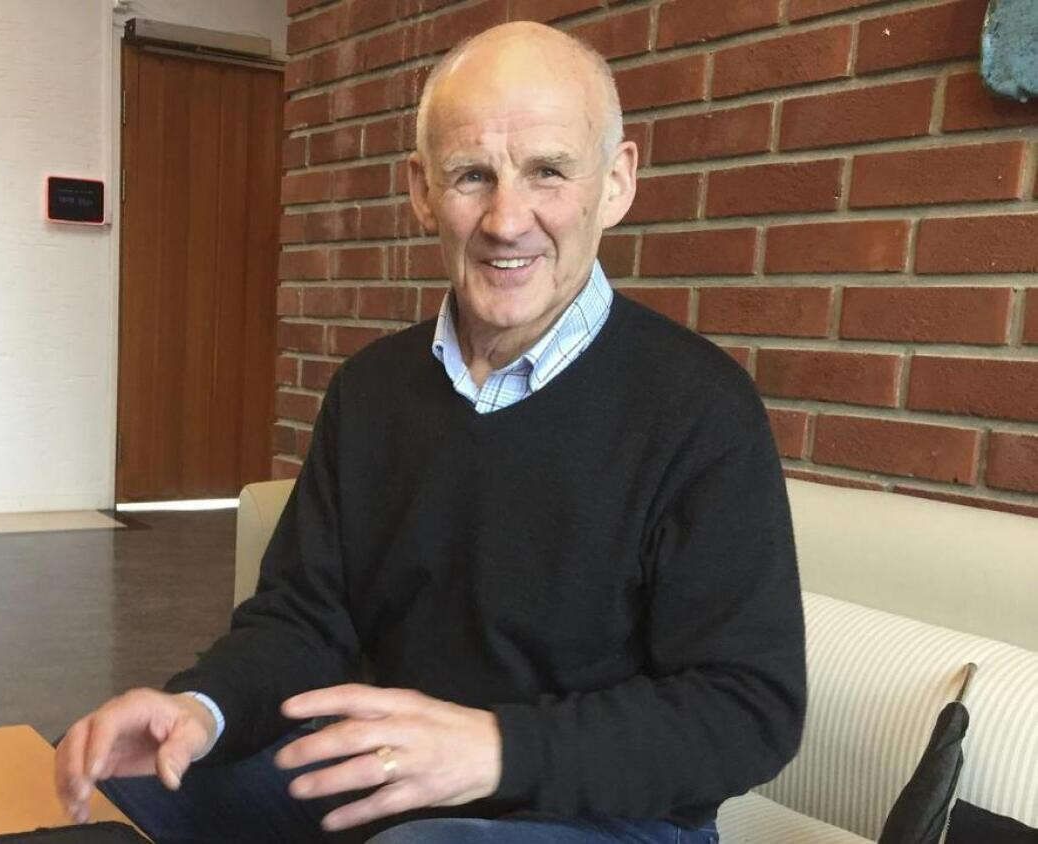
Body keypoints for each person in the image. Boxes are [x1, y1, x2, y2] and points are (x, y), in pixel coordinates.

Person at [55, 20, 805, 843]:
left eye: (548, 172)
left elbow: (748, 709)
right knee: (111, 781)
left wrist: (497, 749)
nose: (506, 220)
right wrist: (204, 708)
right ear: (420, 190)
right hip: (389, 779)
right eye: (471, 175)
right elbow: (304, 621)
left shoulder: (701, 408)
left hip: (606, 817)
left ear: (617, 183)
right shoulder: (371, 391)